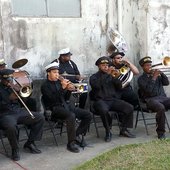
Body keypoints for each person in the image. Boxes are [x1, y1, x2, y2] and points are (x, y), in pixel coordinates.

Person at [41, 62, 92, 153]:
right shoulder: (45, 86)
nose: (57, 74)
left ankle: (76, 135)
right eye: (54, 72)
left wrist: (69, 90)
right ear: (48, 73)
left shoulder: (59, 83)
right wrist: (63, 88)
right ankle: (71, 143)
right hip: (54, 109)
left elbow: (65, 98)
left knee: (88, 114)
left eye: (57, 72)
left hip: (65, 105)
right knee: (71, 116)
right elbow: (53, 100)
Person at [0, 69, 45, 161]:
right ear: (1, 79)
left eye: (10, 79)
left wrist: (21, 94)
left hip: (18, 111)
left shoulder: (14, 86)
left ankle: (30, 142)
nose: (9, 81)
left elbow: (24, 102)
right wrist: (9, 99)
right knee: (11, 127)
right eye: (7, 80)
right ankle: (15, 149)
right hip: (5, 114)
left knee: (39, 117)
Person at [89, 56, 135, 142]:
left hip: (112, 100)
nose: (106, 66)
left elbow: (120, 87)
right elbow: (96, 86)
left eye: (107, 65)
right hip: (100, 101)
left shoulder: (112, 75)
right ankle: (108, 131)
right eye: (103, 65)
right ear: (98, 66)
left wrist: (116, 77)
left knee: (129, 107)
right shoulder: (94, 77)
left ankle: (124, 129)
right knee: (104, 110)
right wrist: (107, 75)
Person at [138, 56, 170, 139]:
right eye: (147, 65)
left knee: (162, 105)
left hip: (162, 98)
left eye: (150, 65)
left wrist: (161, 74)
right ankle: (161, 132)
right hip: (150, 100)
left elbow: (166, 83)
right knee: (161, 108)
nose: (149, 67)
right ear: (142, 67)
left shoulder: (158, 76)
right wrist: (154, 77)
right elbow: (149, 91)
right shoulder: (141, 79)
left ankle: (159, 120)